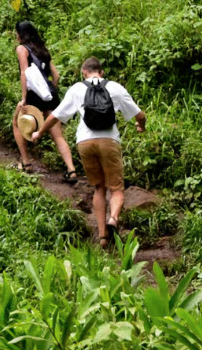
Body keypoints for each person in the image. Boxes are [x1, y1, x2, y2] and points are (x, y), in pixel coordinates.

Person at [31, 57, 146, 246]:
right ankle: (113, 219)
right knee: (116, 189)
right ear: (101, 72)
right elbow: (140, 115)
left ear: (84, 72)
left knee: (99, 188)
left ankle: (102, 237)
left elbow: (55, 116)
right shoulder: (115, 88)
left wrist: (39, 133)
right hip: (109, 141)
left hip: (85, 142)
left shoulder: (77, 89)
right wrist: (141, 126)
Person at [10, 21, 77, 183]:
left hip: (33, 95)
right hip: (50, 95)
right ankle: (71, 169)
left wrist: (24, 99)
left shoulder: (22, 49)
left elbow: (24, 73)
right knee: (57, 135)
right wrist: (49, 92)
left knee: (16, 123)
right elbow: (56, 76)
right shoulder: (42, 50)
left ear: (20, 34)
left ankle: (26, 162)